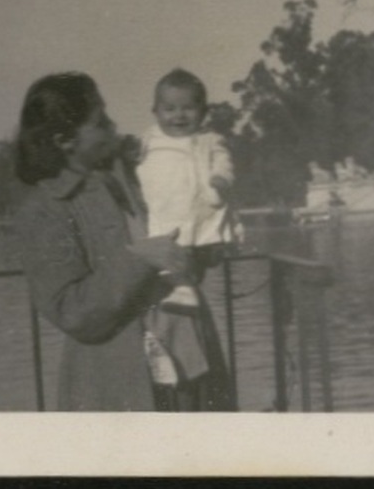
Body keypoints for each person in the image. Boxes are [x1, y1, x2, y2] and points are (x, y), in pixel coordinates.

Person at [13, 72, 233, 411]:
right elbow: (72, 312)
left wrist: (206, 245)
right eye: (100, 121)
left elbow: (184, 240)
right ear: (64, 139)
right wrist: (141, 259)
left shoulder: (138, 175)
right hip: (119, 383)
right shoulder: (45, 209)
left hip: (190, 363)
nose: (113, 125)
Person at [137, 69, 236, 314]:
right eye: (169, 109)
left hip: (197, 207)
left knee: (195, 248)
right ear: (156, 112)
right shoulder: (148, 139)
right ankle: (179, 290)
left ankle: (185, 289)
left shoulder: (210, 139)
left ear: (203, 111)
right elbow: (134, 159)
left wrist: (221, 178)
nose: (179, 116)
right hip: (164, 206)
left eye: (188, 108)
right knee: (166, 251)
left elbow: (224, 162)